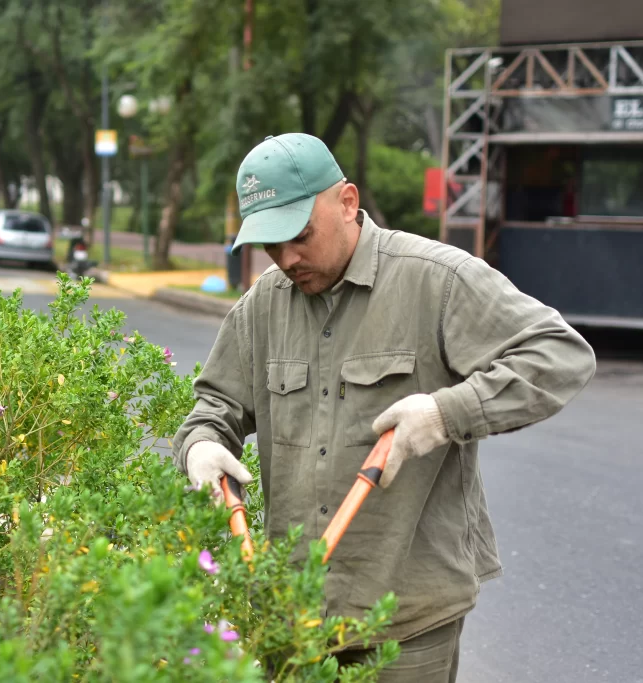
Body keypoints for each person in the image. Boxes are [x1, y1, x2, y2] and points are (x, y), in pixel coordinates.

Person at [172, 133, 596, 682]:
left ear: (347, 202)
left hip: (406, 623)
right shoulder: (263, 305)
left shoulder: (436, 279)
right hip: (290, 616)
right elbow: (215, 405)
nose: (287, 258)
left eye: (299, 235)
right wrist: (201, 445)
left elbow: (561, 354)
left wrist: (448, 414)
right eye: (270, 246)